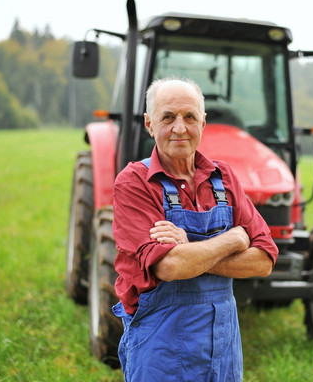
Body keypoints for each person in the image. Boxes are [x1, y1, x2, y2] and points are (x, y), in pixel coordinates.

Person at [111, 77, 278, 382]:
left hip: (223, 349)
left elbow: (265, 259)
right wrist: (234, 238)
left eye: (189, 117)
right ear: (149, 124)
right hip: (162, 348)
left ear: (203, 123)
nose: (179, 128)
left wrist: (191, 247)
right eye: (168, 117)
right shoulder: (134, 183)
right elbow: (171, 265)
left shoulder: (223, 177)